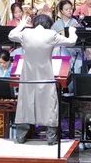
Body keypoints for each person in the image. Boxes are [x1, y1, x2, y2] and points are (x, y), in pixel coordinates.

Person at [9, 13, 76, 143]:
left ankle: (21, 136)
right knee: (49, 105)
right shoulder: (51, 34)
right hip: (46, 76)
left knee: (25, 104)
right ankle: (51, 137)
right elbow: (71, 42)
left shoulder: (26, 33)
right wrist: (72, 31)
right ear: (48, 24)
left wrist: (21, 25)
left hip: (28, 76)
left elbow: (11, 35)